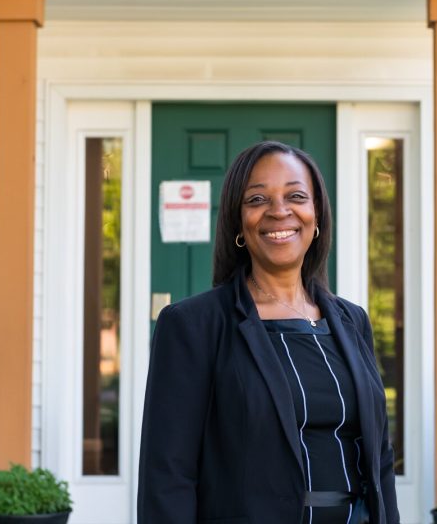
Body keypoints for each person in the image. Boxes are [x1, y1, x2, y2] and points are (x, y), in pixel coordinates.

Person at [138, 141, 399, 524]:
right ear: (238, 222)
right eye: (257, 199)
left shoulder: (352, 320)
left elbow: (381, 461)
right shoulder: (193, 326)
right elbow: (167, 477)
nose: (279, 211)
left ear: (317, 215)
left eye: (296, 195)